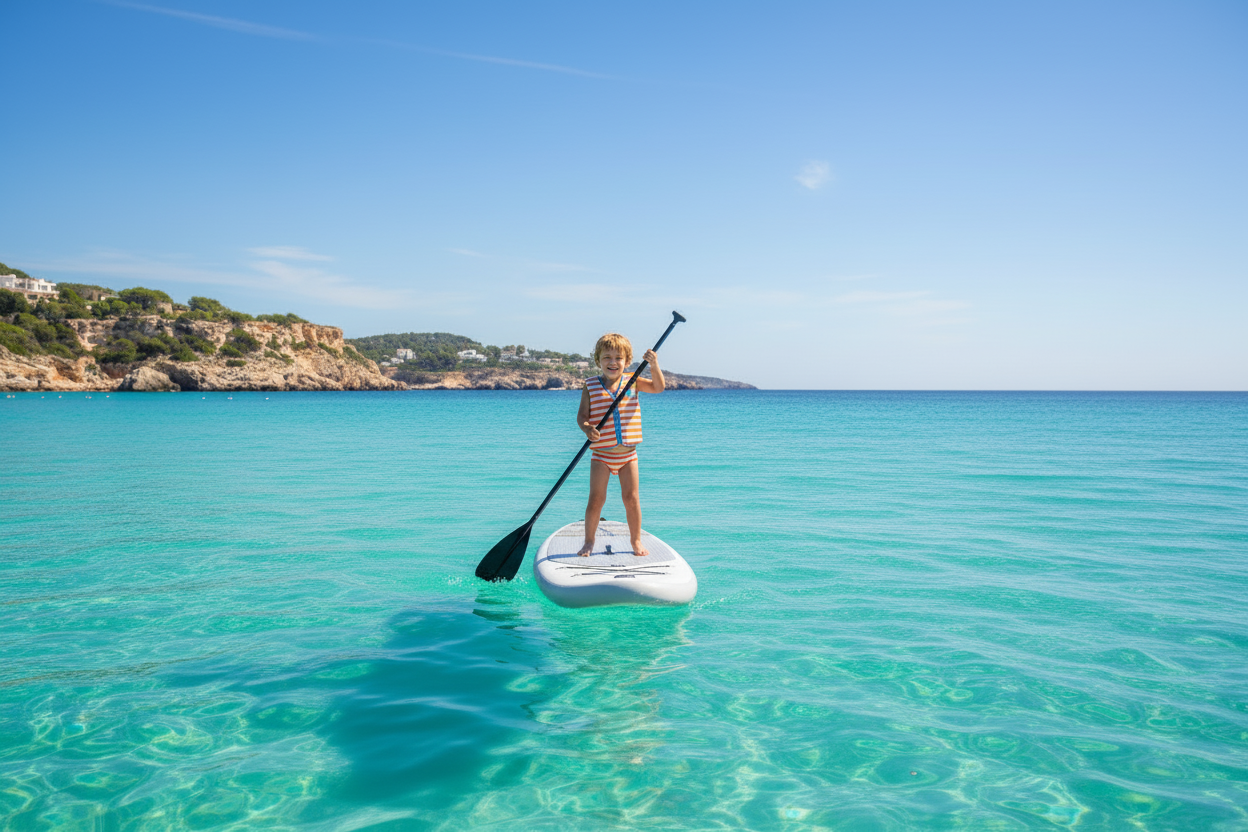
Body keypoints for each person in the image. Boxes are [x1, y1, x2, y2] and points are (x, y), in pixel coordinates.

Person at [576, 332, 665, 557]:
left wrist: (654, 365)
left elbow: (658, 387)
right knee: (596, 499)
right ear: (598, 360)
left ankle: (636, 541)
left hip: (628, 455)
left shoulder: (632, 381)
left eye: (618, 358)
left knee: (631, 499)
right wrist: (587, 429)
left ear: (627, 361)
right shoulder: (591, 386)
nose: (613, 362)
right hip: (601, 456)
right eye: (607, 357)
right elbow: (582, 416)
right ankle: (589, 541)